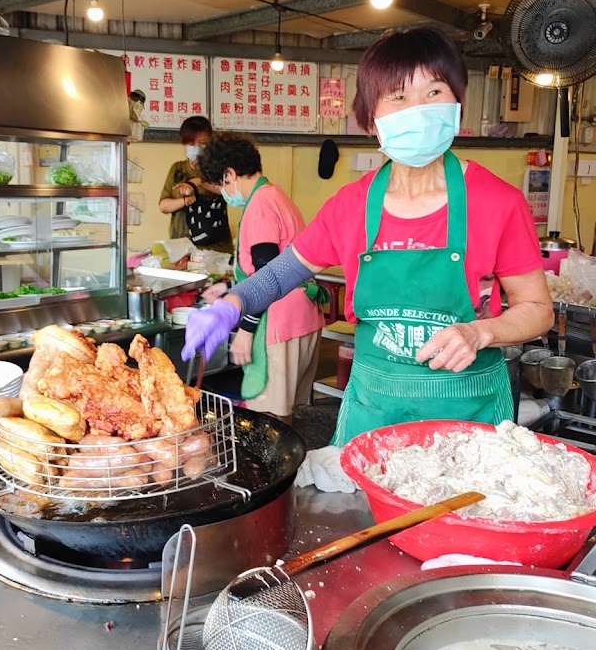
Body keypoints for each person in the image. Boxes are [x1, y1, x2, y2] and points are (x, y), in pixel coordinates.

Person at [183, 26, 553, 446]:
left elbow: (539, 309)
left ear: (457, 104)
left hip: (468, 417)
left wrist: (481, 333)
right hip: (375, 412)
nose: (418, 109)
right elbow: (278, 275)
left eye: (434, 92)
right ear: (372, 121)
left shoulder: (498, 201)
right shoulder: (349, 206)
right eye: (397, 96)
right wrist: (232, 305)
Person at [196, 132, 325, 422]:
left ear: (229, 174)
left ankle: (286, 468)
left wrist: (245, 331)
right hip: (302, 315)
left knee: (269, 418)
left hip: (278, 322)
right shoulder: (276, 195)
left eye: (220, 185)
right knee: (283, 413)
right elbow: (272, 263)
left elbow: (268, 276)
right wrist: (229, 287)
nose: (223, 193)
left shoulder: (260, 206)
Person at [158, 115, 233, 254]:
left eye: (202, 143)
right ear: (184, 143)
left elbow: (229, 192)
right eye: (191, 144)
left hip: (215, 250)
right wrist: (185, 201)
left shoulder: (219, 167)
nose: (197, 148)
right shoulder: (178, 169)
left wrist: (199, 182)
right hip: (181, 247)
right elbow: (163, 206)